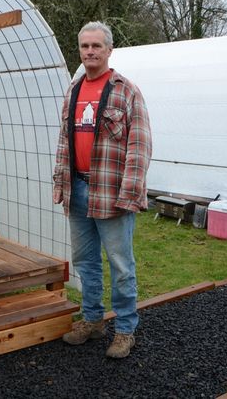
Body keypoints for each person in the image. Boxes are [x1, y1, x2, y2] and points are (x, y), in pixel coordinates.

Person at [53, 21, 152, 359]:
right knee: (85, 261)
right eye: (85, 47)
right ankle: (93, 320)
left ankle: (125, 330)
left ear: (109, 50)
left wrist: (131, 192)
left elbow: (140, 146)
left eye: (96, 46)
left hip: (112, 193)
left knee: (121, 264)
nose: (90, 52)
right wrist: (61, 184)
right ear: (79, 51)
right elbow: (63, 142)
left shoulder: (126, 90)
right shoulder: (74, 89)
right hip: (78, 189)